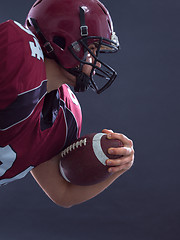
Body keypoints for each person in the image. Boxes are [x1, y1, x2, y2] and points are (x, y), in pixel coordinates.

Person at [0, 0, 134, 207]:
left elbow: (63, 193)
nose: (97, 62)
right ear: (61, 39)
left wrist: (119, 167)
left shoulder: (65, 116)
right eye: (92, 47)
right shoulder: (17, 55)